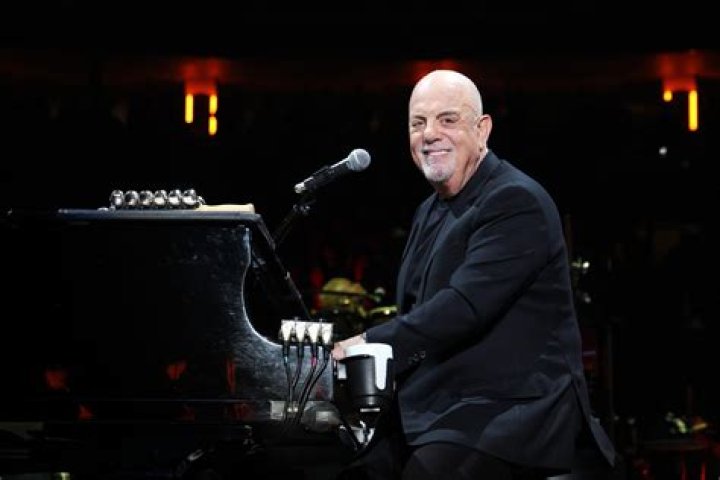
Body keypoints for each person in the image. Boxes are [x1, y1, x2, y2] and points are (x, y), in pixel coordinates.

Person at [331, 69, 616, 479]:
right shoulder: (429, 208)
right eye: (418, 123)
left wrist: (367, 343)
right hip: (444, 402)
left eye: (447, 120)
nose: (430, 134)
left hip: (510, 409)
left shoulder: (515, 200)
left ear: (482, 130)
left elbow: (464, 307)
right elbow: (418, 311)